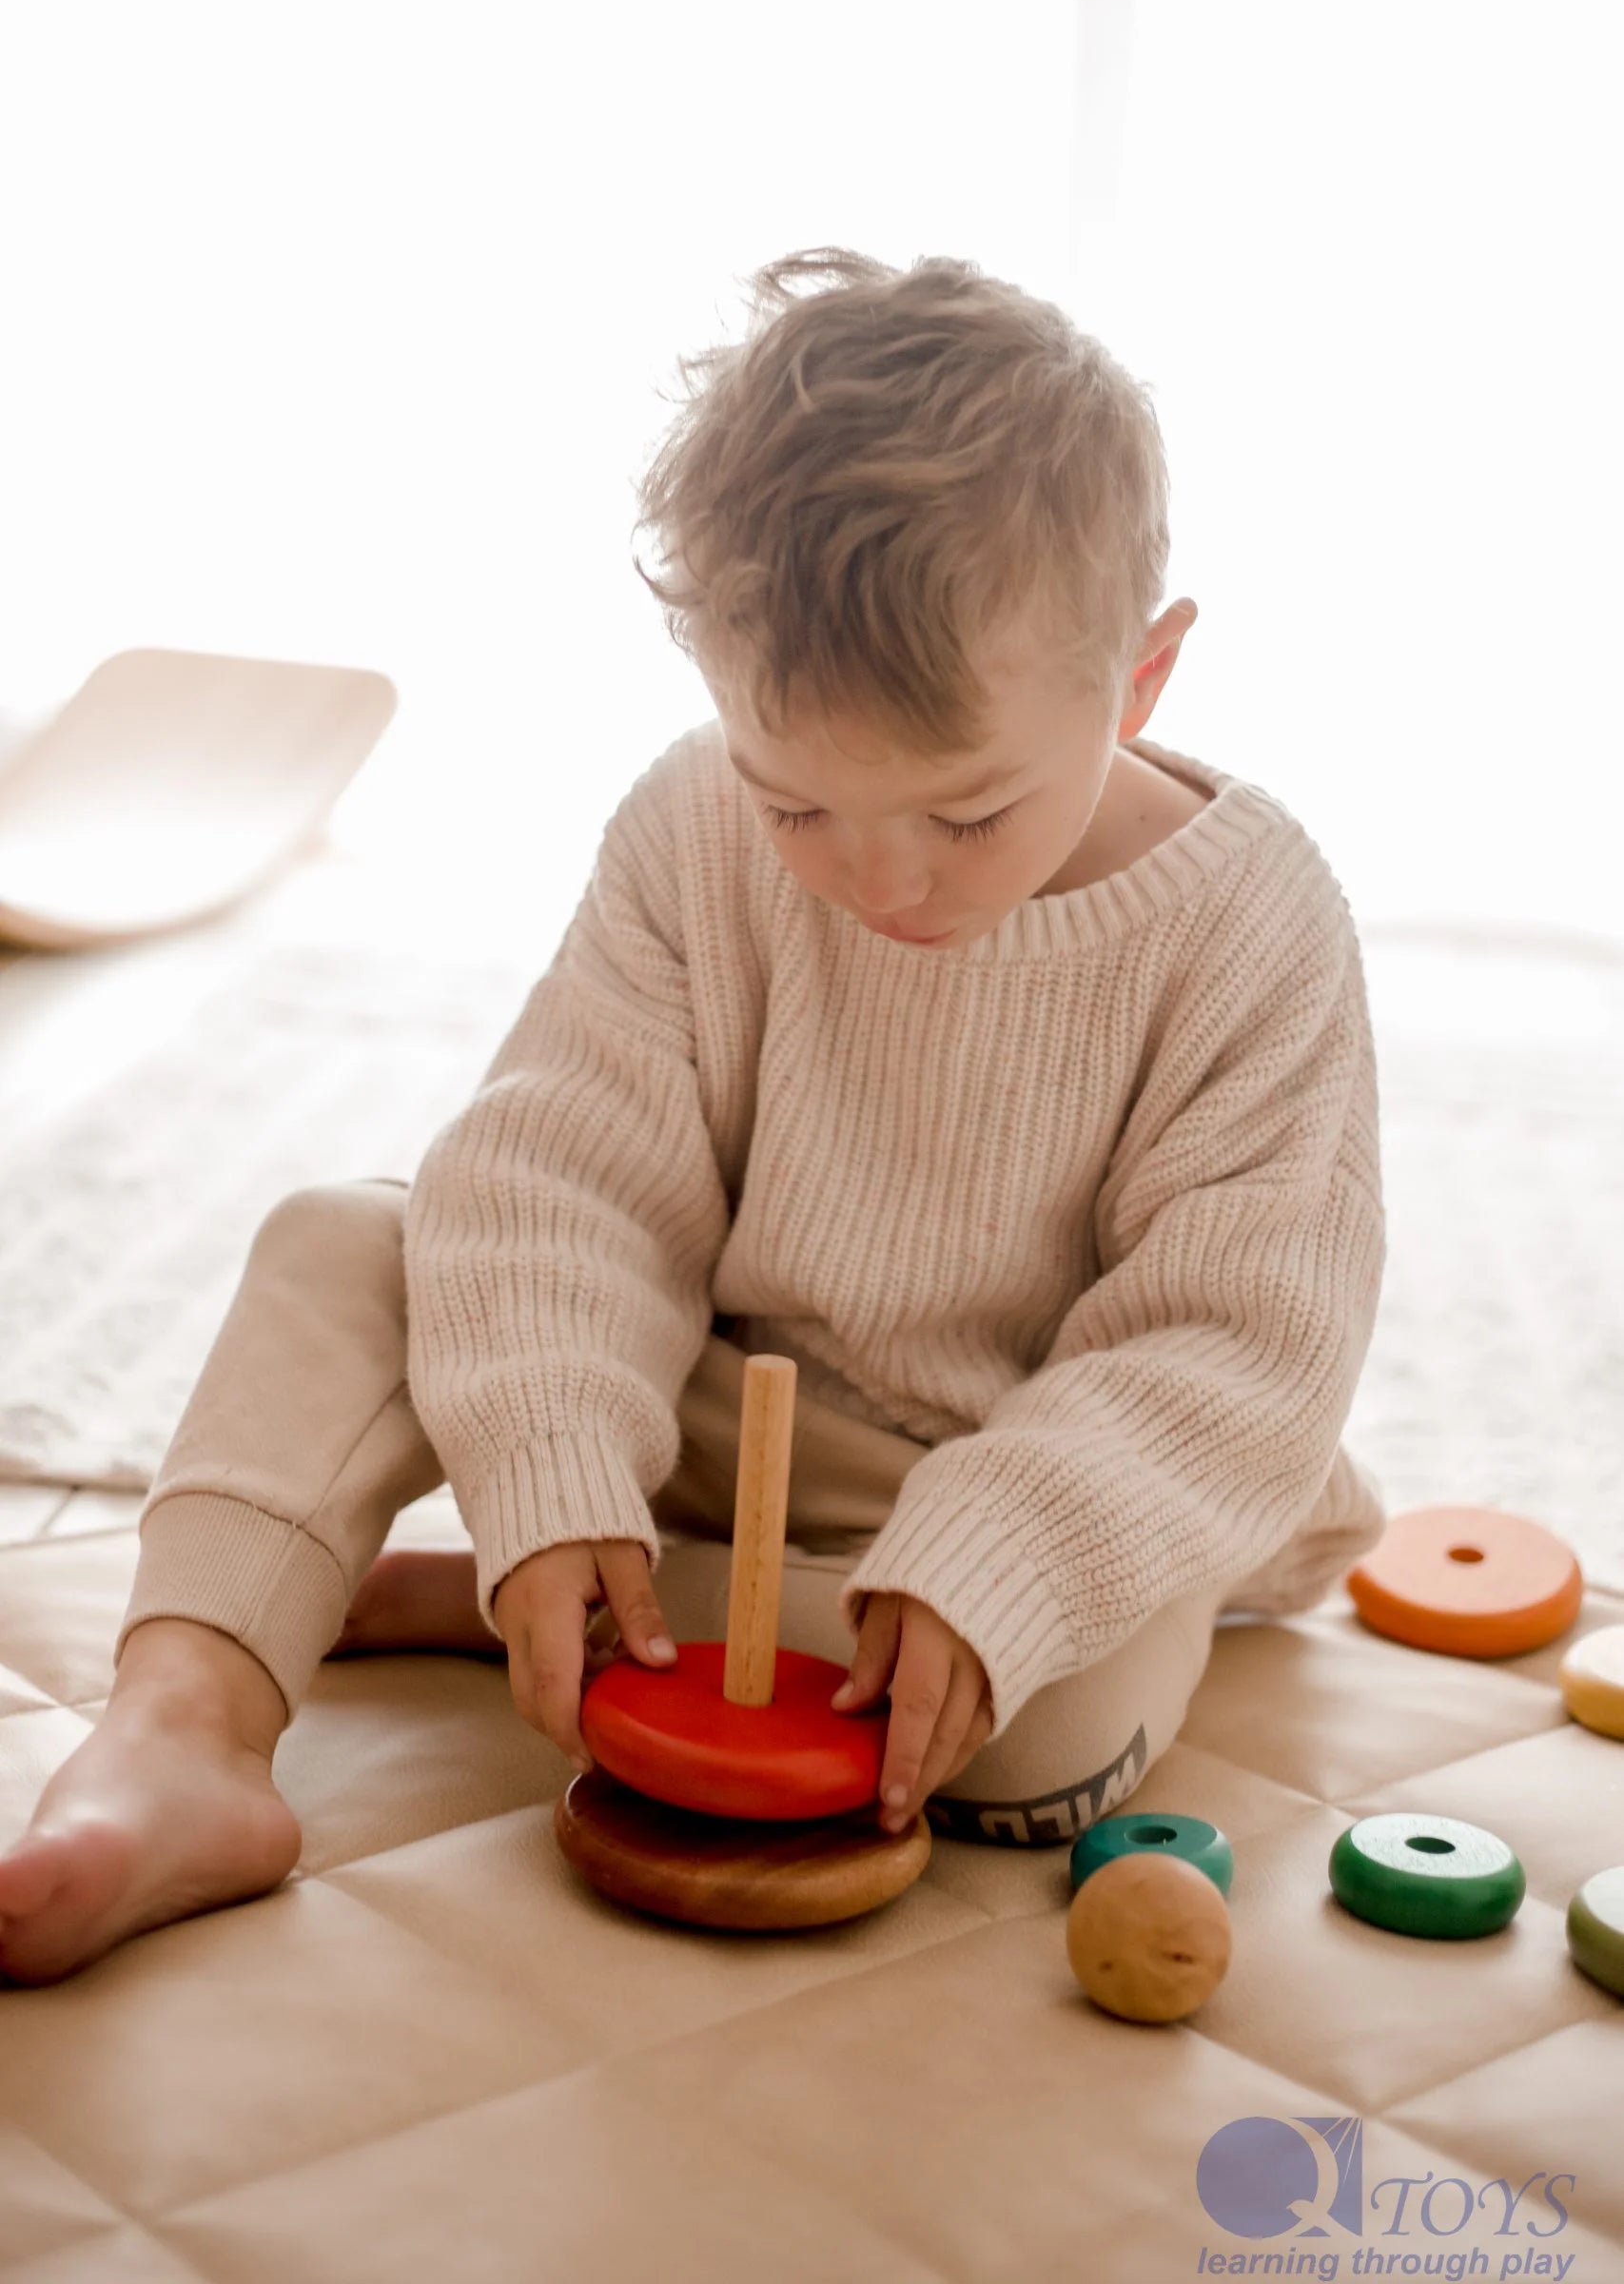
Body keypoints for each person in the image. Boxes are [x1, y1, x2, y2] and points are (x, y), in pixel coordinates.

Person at [0, 247, 1385, 1986]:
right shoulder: (688, 827)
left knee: (1040, 1729)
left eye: (966, 817)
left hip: (1017, 1460)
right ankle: (187, 1734)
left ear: (1140, 683)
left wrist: (991, 1570)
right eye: (796, 800)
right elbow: (568, 1176)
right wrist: (560, 1451)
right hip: (718, 1398)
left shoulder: (1252, 926)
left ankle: (536, 1587)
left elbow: (1235, 1342)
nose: (879, 881)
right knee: (348, 1243)